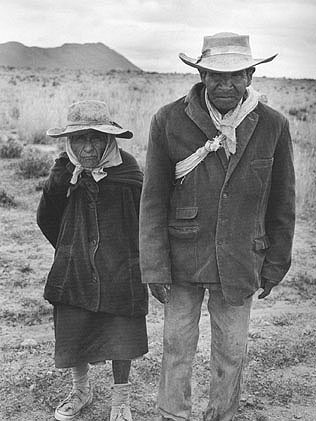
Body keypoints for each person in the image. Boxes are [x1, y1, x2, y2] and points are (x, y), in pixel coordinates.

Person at [139, 33, 295, 421]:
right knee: (176, 345)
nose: (226, 85)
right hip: (182, 258)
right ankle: (172, 414)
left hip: (242, 258)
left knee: (232, 349)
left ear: (251, 75)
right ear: (201, 75)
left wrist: (276, 263)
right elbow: (153, 199)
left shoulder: (273, 125)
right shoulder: (169, 120)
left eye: (235, 75)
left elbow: (282, 202)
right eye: (215, 75)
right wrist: (155, 267)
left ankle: (222, 414)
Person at [37, 100, 148, 421]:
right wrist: (71, 249)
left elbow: (145, 221)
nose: (88, 147)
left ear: (109, 139)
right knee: (75, 328)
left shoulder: (128, 171)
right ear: (68, 142)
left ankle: (120, 401)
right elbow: (47, 217)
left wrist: (135, 261)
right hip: (75, 268)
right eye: (79, 139)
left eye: (96, 138)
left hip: (121, 267)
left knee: (121, 334)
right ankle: (80, 390)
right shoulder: (62, 172)